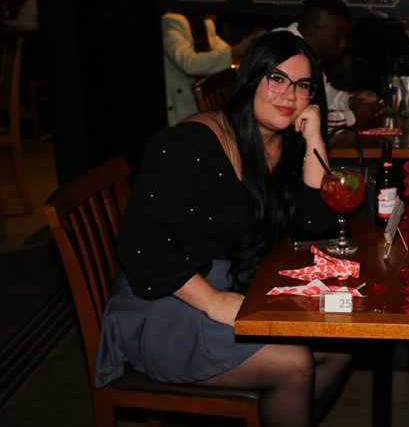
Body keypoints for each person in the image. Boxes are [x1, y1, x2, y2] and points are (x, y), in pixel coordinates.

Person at [95, 31, 350, 426]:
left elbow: (317, 224)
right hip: (169, 298)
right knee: (294, 364)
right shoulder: (191, 143)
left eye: (303, 86)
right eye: (277, 79)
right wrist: (214, 300)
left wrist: (315, 137)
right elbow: (142, 244)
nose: (289, 96)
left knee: (341, 347)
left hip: (236, 287)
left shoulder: (285, 141)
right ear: (250, 78)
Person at [272, 0, 379, 130]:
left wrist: (352, 101)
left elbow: (324, 94)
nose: (343, 44)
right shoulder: (283, 48)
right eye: (338, 36)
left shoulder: (304, 50)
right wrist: (351, 116)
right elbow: (294, 118)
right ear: (314, 31)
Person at [162, 11, 263, 126]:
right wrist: (236, 50)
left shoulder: (207, 24)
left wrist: (251, 43)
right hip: (181, 106)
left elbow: (223, 51)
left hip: (201, 103)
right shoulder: (173, 20)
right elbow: (189, 63)